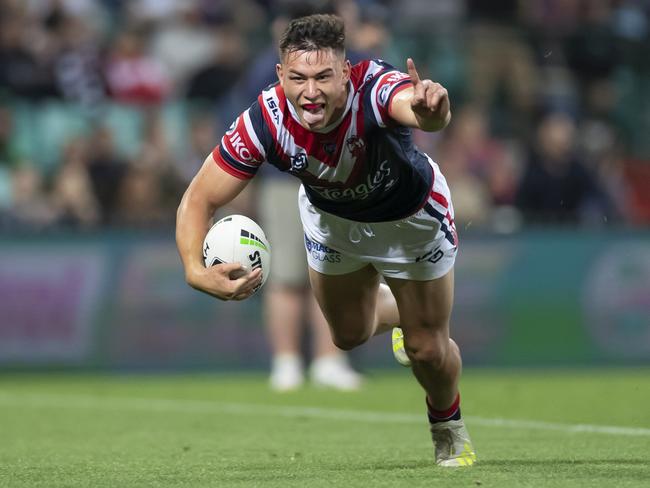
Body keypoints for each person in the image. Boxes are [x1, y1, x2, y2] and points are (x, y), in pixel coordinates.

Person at [176, 14, 476, 467]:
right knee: (348, 336)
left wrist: (434, 109)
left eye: (322, 77)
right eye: (297, 78)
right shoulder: (265, 119)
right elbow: (198, 198)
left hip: (411, 220)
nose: (310, 91)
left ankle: (447, 426)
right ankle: (398, 312)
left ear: (346, 72)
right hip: (335, 222)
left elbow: (416, 107)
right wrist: (194, 271)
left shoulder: (374, 88)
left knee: (427, 349)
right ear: (280, 75)